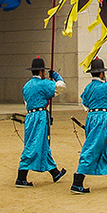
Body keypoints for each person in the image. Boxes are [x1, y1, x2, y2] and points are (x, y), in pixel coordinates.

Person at [71, 57, 107, 193]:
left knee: (104, 146)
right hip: (101, 118)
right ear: (102, 74)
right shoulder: (105, 87)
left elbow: (84, 102)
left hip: (91, 117)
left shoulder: (88, 87)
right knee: (92, 147)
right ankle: (77, 181)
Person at [17, 57, 67, 187]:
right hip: (39, 116)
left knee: (43, 144)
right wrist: (56, 76)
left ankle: (55, 172)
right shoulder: (43, 84)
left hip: (30, 115)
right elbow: (61, 86)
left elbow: (26, 103)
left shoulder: (26, 85)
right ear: (41, 71)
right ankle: (21, 177)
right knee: (33, 145)